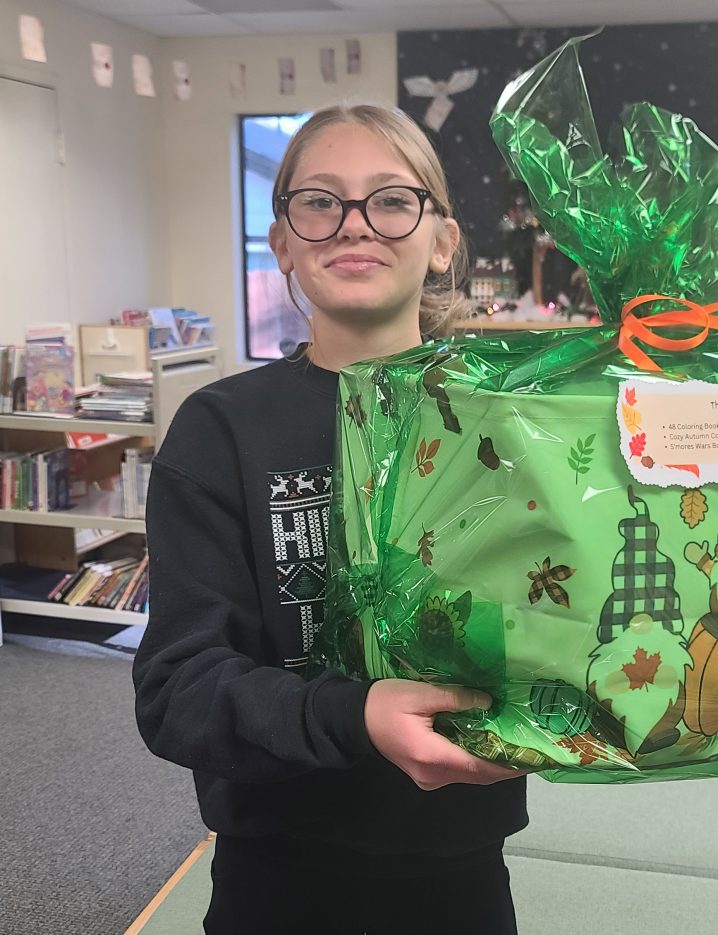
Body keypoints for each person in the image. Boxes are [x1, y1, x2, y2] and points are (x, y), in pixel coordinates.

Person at [133, 104, 527, 935]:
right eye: (320, 201)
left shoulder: (504, 420)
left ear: (443, 241)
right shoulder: (222, 430)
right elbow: (178, 689)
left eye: (391, 199)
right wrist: (353, 715)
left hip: (461, 867)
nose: (355, 223)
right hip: (279, 875)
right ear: (282, 241)